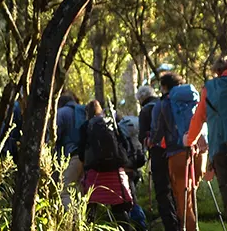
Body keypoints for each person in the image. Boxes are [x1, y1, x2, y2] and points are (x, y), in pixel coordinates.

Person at [182, 55, 227, 231]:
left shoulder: (211, 88)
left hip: (223, 150)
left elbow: (198, 119)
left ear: (218, 71)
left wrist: (190, 140)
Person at [63, 100, 141, 230]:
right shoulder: (111, 123)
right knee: (120, 212)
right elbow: (125, 145)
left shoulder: (85, 126)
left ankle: (88, 228)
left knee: (91, 211)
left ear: (87, 113)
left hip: (95, 175)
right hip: (116, 175)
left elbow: (82, 153)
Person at [151, 73, 206, 231]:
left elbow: (157, 133)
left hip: (178, 153)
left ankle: (190, 228)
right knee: (192, 193)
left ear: (164, 86)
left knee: (183, 200)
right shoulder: (193, 97)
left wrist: (151, 141)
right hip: (200, 152)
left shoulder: (163, 104)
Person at [138, 85, 181, 230]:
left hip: (158, 154)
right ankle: (183, 222)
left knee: (163, 192)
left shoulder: (145, 110)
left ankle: (171, 225)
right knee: (177, 189)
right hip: (176, 150)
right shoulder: (167, 103)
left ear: (141, 99)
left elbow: (142, 137)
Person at [56, 92, 87, 157]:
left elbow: (56, 134)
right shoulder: (84, 111)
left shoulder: (60, 113)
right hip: (86, 153)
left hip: (69, 153)